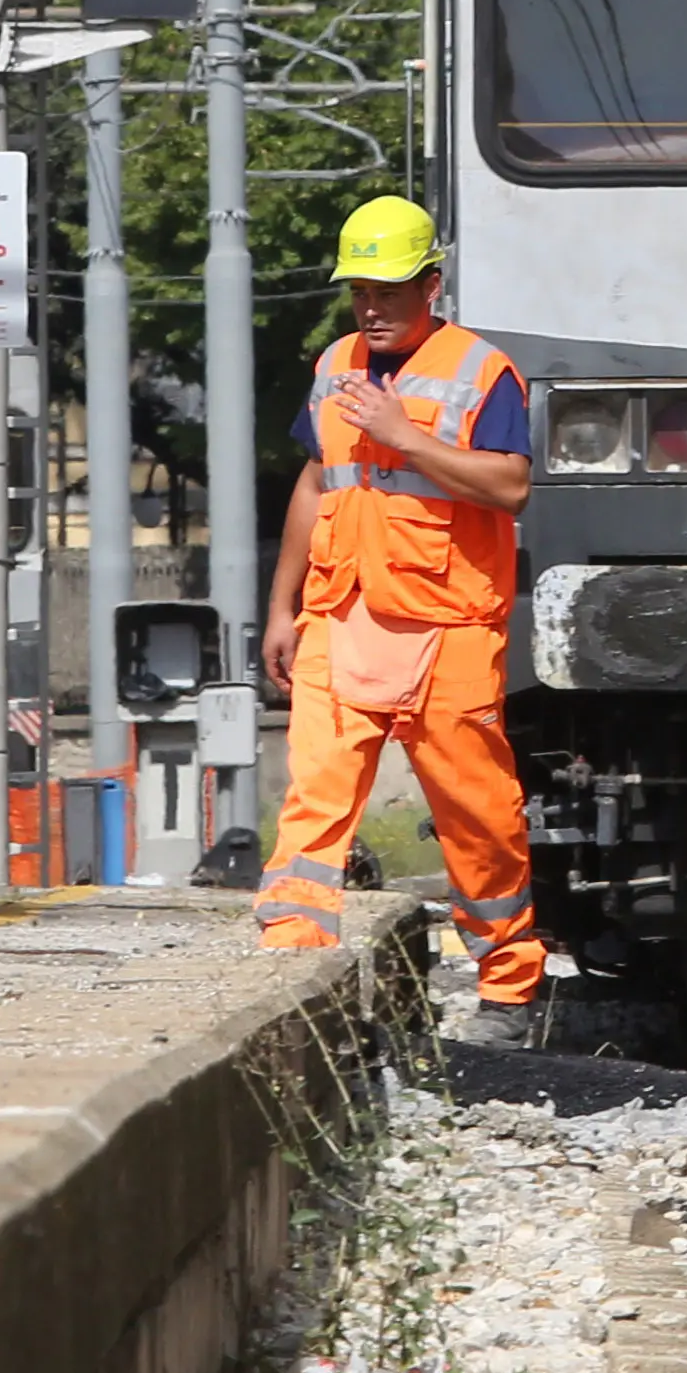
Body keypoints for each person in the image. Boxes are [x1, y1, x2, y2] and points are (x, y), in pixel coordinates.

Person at [253, 195, 545, 1047]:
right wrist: (281, 607)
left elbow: (510, 488)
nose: (371, 308)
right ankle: (292, 962)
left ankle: (508, 990)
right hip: (340, 614)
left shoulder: (482, 371)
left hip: (448, 627)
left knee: (478, 815)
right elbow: (318, 485)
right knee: (313, 802)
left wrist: (405, 437)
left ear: (430, 283)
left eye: (388, 289)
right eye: (359, 292)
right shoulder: (334, 363)